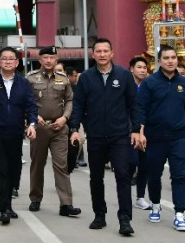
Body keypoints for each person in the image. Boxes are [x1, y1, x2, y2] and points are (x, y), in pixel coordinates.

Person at [70, 39, 138, 235]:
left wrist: (136, 129)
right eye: (98, 51)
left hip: (119, 135)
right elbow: (78, 105)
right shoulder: (86, 78)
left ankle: (125, 218)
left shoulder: (124, 76)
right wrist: (75, 128)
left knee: (123, 176)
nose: (101, 54)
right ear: (93, 54)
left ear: (112, 53)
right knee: (96, 177)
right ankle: (99, 214)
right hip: (96, 135)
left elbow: (134, 105)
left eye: (105, 51)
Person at [0, 47, 38, 225]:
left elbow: (31, 107)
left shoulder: (24, 83)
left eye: (12, 59)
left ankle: (9, 205)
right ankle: (3, 209)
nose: (8, 61)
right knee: (1, 169)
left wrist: (32, 124)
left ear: (17, 63)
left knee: (13, 169)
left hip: (16, 132)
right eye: (5, 58)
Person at [136, 46, 185, 232]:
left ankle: (179, 214)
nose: (170, 61)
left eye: (173, 58)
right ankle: (155, 205)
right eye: (166, 58)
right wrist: (141, 132)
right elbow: (141, 109)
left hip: (178, 137)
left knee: (179, 175)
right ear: (159, 61)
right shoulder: (150, 83)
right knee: (154, 175)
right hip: (155, 137)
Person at [26, 46, 81, 217]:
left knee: (61, 166)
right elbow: (25, 101)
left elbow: (70, 100)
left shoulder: (64, 79)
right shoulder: (30, 79)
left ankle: (66, 204)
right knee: (37, 165)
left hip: (59, 128)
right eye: (45, 57)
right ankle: (35, 198)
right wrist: (33, 118)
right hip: (39, 128)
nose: (48, 60)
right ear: (40, 60)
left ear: (56, 60)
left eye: (52, 57)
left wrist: (65, 118)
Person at [128, 56, 151, 210]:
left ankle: (140, 197)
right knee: (131, 162)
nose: (142, 70)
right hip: (129, 131)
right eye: (139, 67)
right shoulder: (126, 86)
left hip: (147, 131)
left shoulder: (149, 87)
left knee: (144, 165)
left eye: (144, 67)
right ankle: (124, 193)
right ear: (132, 69)